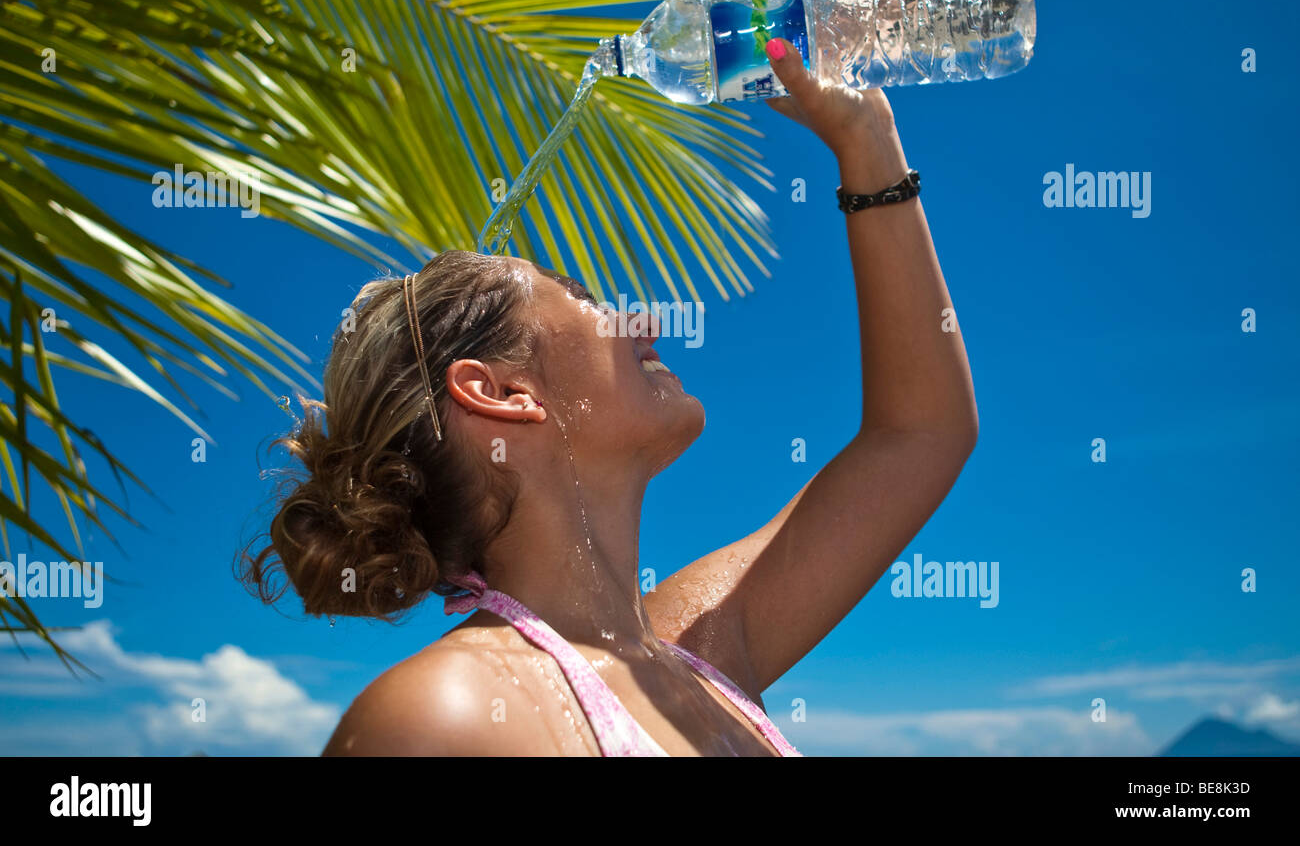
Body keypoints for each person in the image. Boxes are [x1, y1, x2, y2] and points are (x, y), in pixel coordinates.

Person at [241, 37, 978, 756]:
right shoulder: (446, 716)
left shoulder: (698, 652)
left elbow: (921, 433)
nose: (645, 322)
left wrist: (867, 140)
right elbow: (918, 436)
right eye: (581, 298)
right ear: (497, 391)